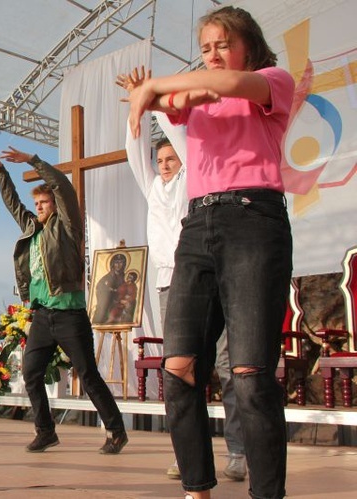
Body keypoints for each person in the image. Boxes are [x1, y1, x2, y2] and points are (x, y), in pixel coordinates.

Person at [124, 6, 295, 498]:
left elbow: (229, 86)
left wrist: (153, 89)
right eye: (205, 47)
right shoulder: (198, 96)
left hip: (253, 220)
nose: (213, 54)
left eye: (223, 44)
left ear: (248, 46)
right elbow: (181, 96)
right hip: (197, 226)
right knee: (177, 367)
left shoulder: (272, 80)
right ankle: (197, 488)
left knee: (249, 373)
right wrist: (152, 92)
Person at [115, 84, 247, 481]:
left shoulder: (195, 181)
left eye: (172, 158)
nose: (166, 164)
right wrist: (137, 110)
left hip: (211, 274)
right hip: (170, 283)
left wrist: (156, 106)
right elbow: (134, 153)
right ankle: (188, 452)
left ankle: (238, 451)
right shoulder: (153, 187)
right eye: (161, 160)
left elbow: (182, 140)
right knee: (180, 369)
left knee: (226, 363)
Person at [0, 146, 128, 455]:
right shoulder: (32, 229)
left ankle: (115, 430)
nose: (39, 207)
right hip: (43, 317)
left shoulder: (68, 227)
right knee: (31, 372)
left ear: (56, 205)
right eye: (37, 203)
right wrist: (0, 172)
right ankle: (46, 431)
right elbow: (13, 205)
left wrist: (33, 161)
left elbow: (62, 187)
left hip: (69, 315)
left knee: (87, 374)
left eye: (44, 202)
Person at [92, 252, 127, 325]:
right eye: (116, 262)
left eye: (120, 262)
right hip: (110, 302)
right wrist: (111, 291)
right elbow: (100, 288)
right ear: (112, 264)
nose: (118, 265)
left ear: (124, 264)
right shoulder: (106, 278)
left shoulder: (126, 277)